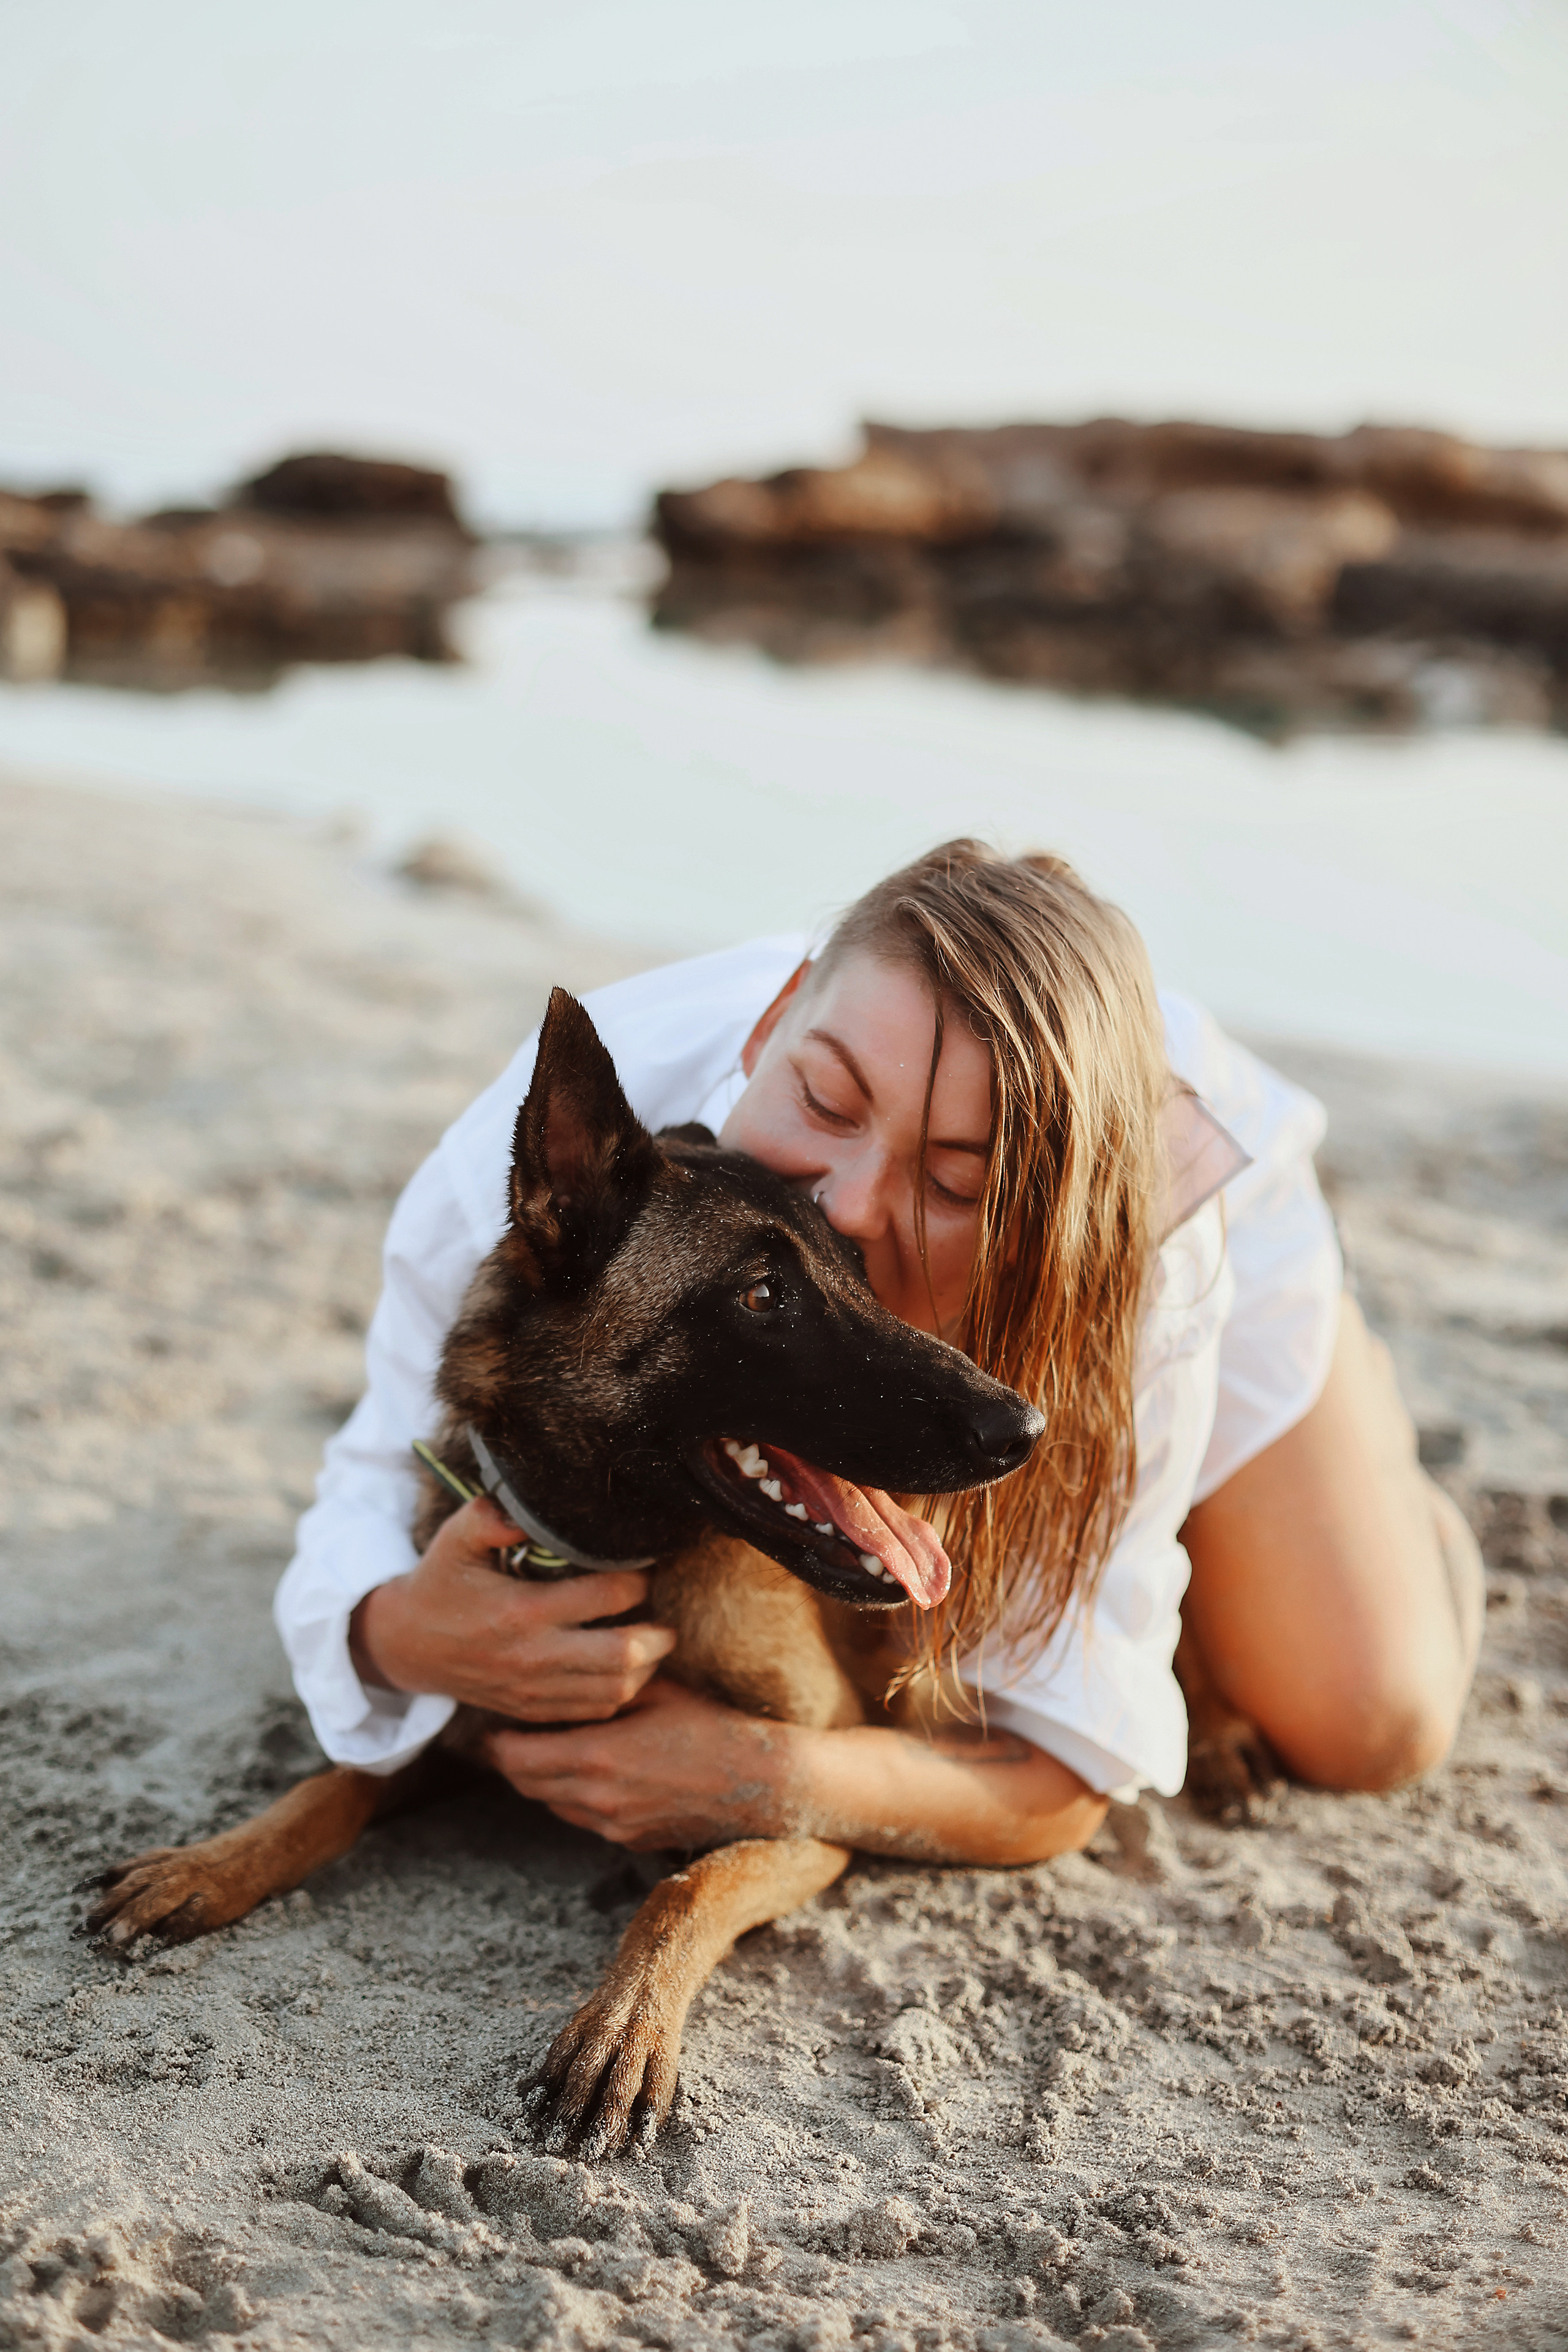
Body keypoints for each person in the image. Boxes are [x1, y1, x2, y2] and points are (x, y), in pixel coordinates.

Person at [274, 840, 1482, 1865]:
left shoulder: (1138, 1269)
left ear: (1025, 1208)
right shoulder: (566, 1147)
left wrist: (772, 1776)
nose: (849, 1207)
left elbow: (1063, 1772)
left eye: (953, 1179)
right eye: (825, 1101)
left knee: (1364, 1727)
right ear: (772, 1019)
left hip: (1191, 1220)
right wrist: (393, 1632)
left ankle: (1336, 1411)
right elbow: (369, 1476)